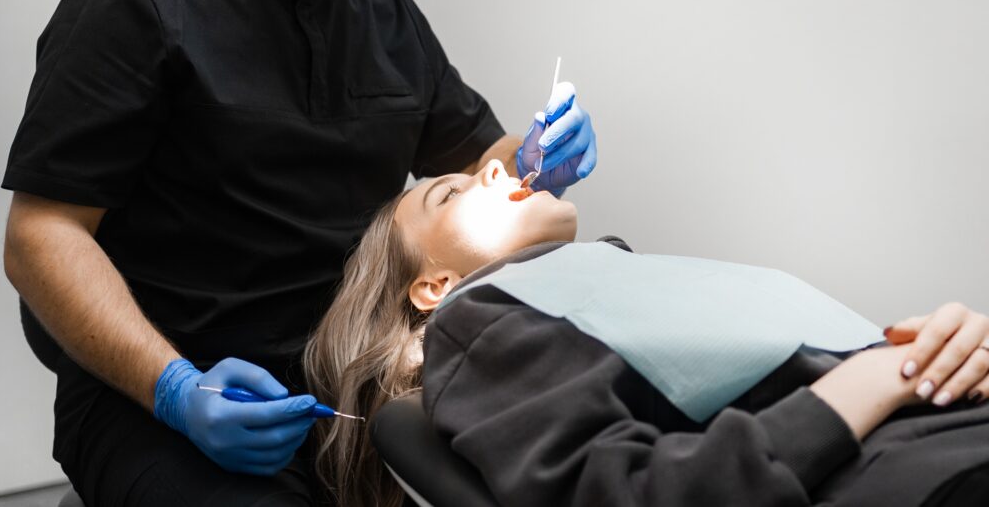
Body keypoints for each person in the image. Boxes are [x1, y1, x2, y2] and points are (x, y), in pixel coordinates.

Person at [0, 0, 597, 504]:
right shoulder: (138, 3)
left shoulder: (390, 18)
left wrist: (536, 161)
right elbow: (40, 237)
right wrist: (176, 391)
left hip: (350, 383)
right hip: (169, 385)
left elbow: (476, 161)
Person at [304, 159, 989, 507]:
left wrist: (939, 354)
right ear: (434, 287)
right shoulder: (480, 323)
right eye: (449, 193)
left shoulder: (599, 288)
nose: (495, 165)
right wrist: (876, 378)